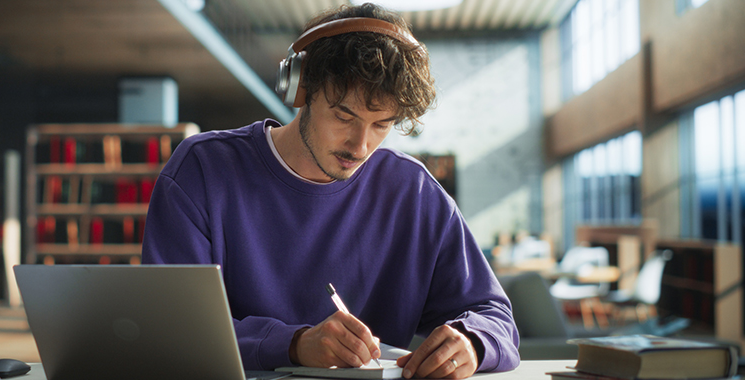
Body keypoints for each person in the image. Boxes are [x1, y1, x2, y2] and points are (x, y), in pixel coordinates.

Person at [141, 3, 519, 379]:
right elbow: (170, 329)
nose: (360, 146)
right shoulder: (203, 170)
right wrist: (293, 344)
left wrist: (471, 343)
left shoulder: (414, 193)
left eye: (381, 125)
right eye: (344, 116)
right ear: (301, 88)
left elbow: (495, 317)